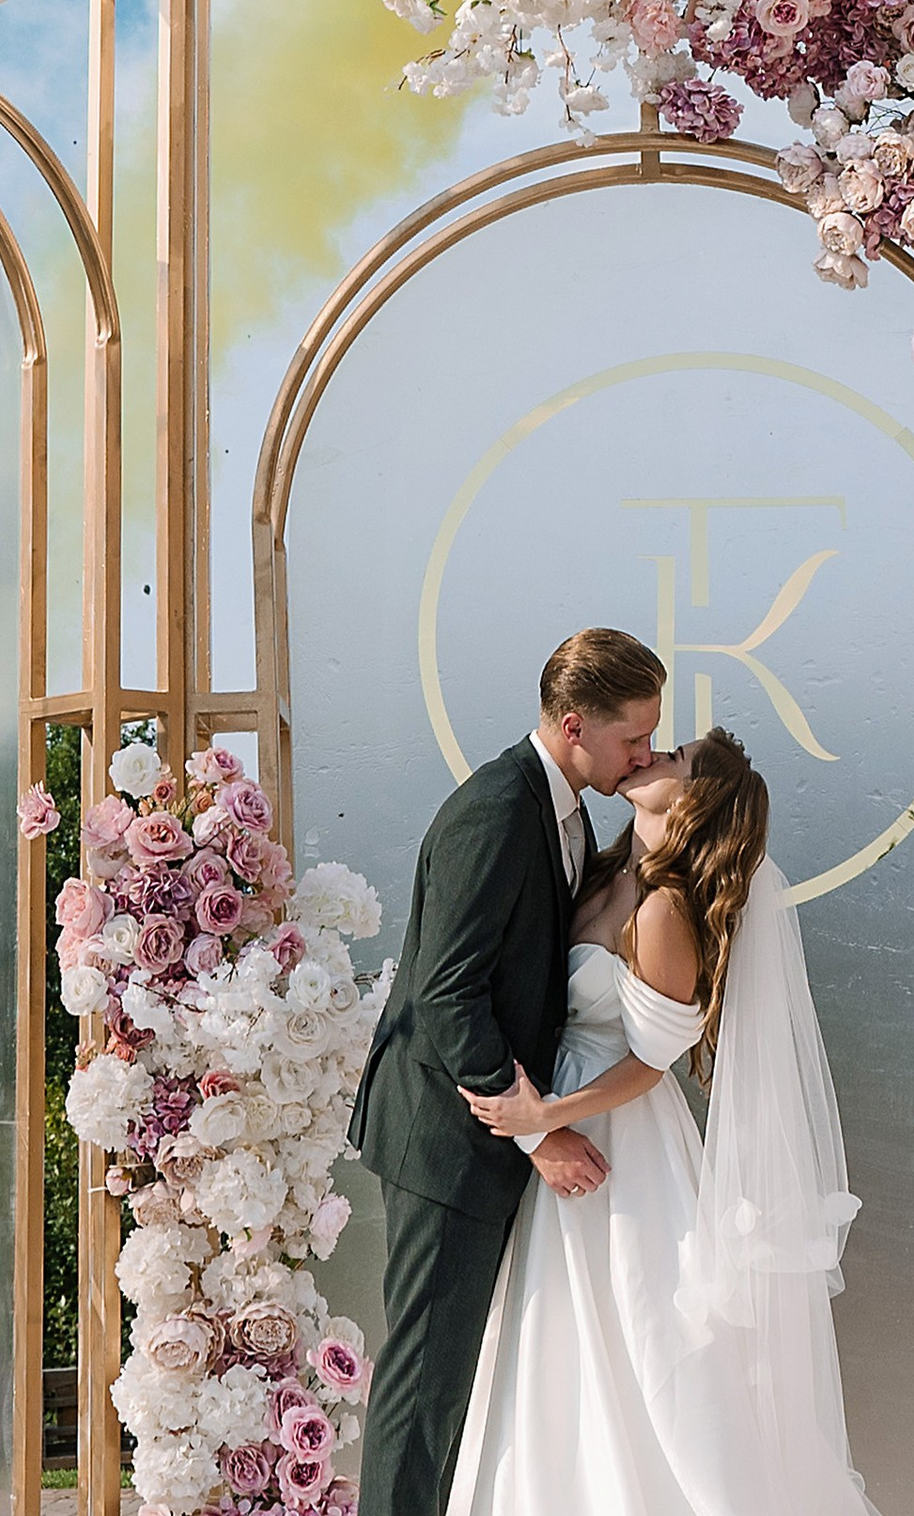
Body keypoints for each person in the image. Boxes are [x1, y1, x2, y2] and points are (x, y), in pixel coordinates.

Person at [443, 728, 879, 1516]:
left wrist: (548, 1115)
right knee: (559, 1339)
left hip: (620, 1139)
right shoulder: (605, 869)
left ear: (695, 799)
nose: (649, 757)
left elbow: (650, 1065)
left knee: (644, 1331)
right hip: (563, 1129)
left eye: (672, 759)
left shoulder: (666, 907)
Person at [350, 627, 667, 1516]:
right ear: (575, 725)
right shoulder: (497, 807)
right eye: (631, 737)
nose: (642, 754)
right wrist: (539, 1134)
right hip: (447, 1142)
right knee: (422, 1394)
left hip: (477, 1134)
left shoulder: (562, 807)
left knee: (455, 1391)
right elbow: (449, 995)